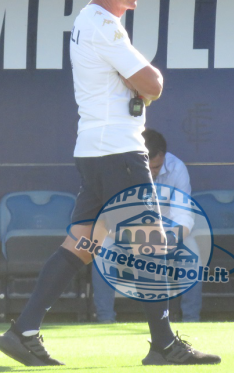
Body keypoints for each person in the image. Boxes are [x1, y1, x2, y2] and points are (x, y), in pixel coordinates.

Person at [0, 0, 220, 366]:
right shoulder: (102, 23)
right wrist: (146, 83)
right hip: (118, 152)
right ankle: (164, 345)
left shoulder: (94, 21)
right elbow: (153, 84)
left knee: (82, 244)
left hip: (96, 150)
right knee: (151, 245)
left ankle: (22, 331)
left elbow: (142, 84)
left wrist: (139, 84)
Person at [92, 128, 203, 323]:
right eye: (147, 168)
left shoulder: (177, 168)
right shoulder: (117, 169)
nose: (152, 173)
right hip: (125, 235)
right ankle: (105, 319)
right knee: (102, 251)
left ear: (163, 157)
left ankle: (191, 320)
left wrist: (170, 239)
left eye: (156, 167)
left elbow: (184, 215)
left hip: (166, 234)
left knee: (192, 251)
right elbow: (106, 220)